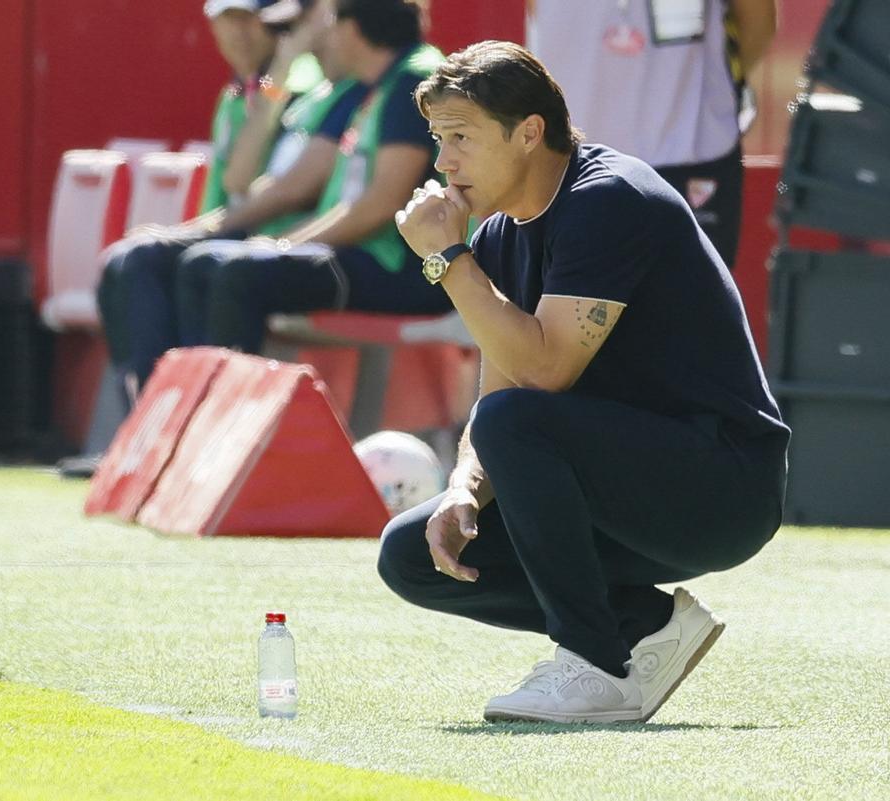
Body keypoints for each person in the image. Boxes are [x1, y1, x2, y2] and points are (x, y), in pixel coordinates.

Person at [379, 41, 789, 724]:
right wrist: (462, 490)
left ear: (530, 131)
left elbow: (542, 372)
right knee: (412, 553)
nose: (443, 162)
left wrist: (447, 260)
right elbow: (496, 399)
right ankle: (646, 624)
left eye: (461, 138)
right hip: (623, 489)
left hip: (721, 486)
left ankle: (595, 664)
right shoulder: (498, 239)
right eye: (437, 140)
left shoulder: (610, 197)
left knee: (519, 419)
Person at [96, 0, 366, 394]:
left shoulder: (302, 86)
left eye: (251, 20)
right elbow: (239, 184)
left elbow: (263, 187)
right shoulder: (253, 89)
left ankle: (178, 404)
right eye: (228, 20)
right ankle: (152, 407)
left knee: (157, 261)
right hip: (248, 231)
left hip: (274, 237)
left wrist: (278, 75)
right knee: (125, 262)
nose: (241, 33)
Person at [173, 0, 452, 358]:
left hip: (403, 270)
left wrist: (285, 247)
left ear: (352, 29)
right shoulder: (381, 84)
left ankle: (234, 406)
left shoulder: (413, 82)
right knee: (206, 264)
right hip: (363, 257)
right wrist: (285, 244)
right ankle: (197, 395)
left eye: (332, 23)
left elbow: (382, 204)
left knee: (237, 272)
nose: (325, 36)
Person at [526, 0, 778, 268]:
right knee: (554, 304)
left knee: (686, 306)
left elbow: (758, 20)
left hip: (691, 154)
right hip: (567, 161)